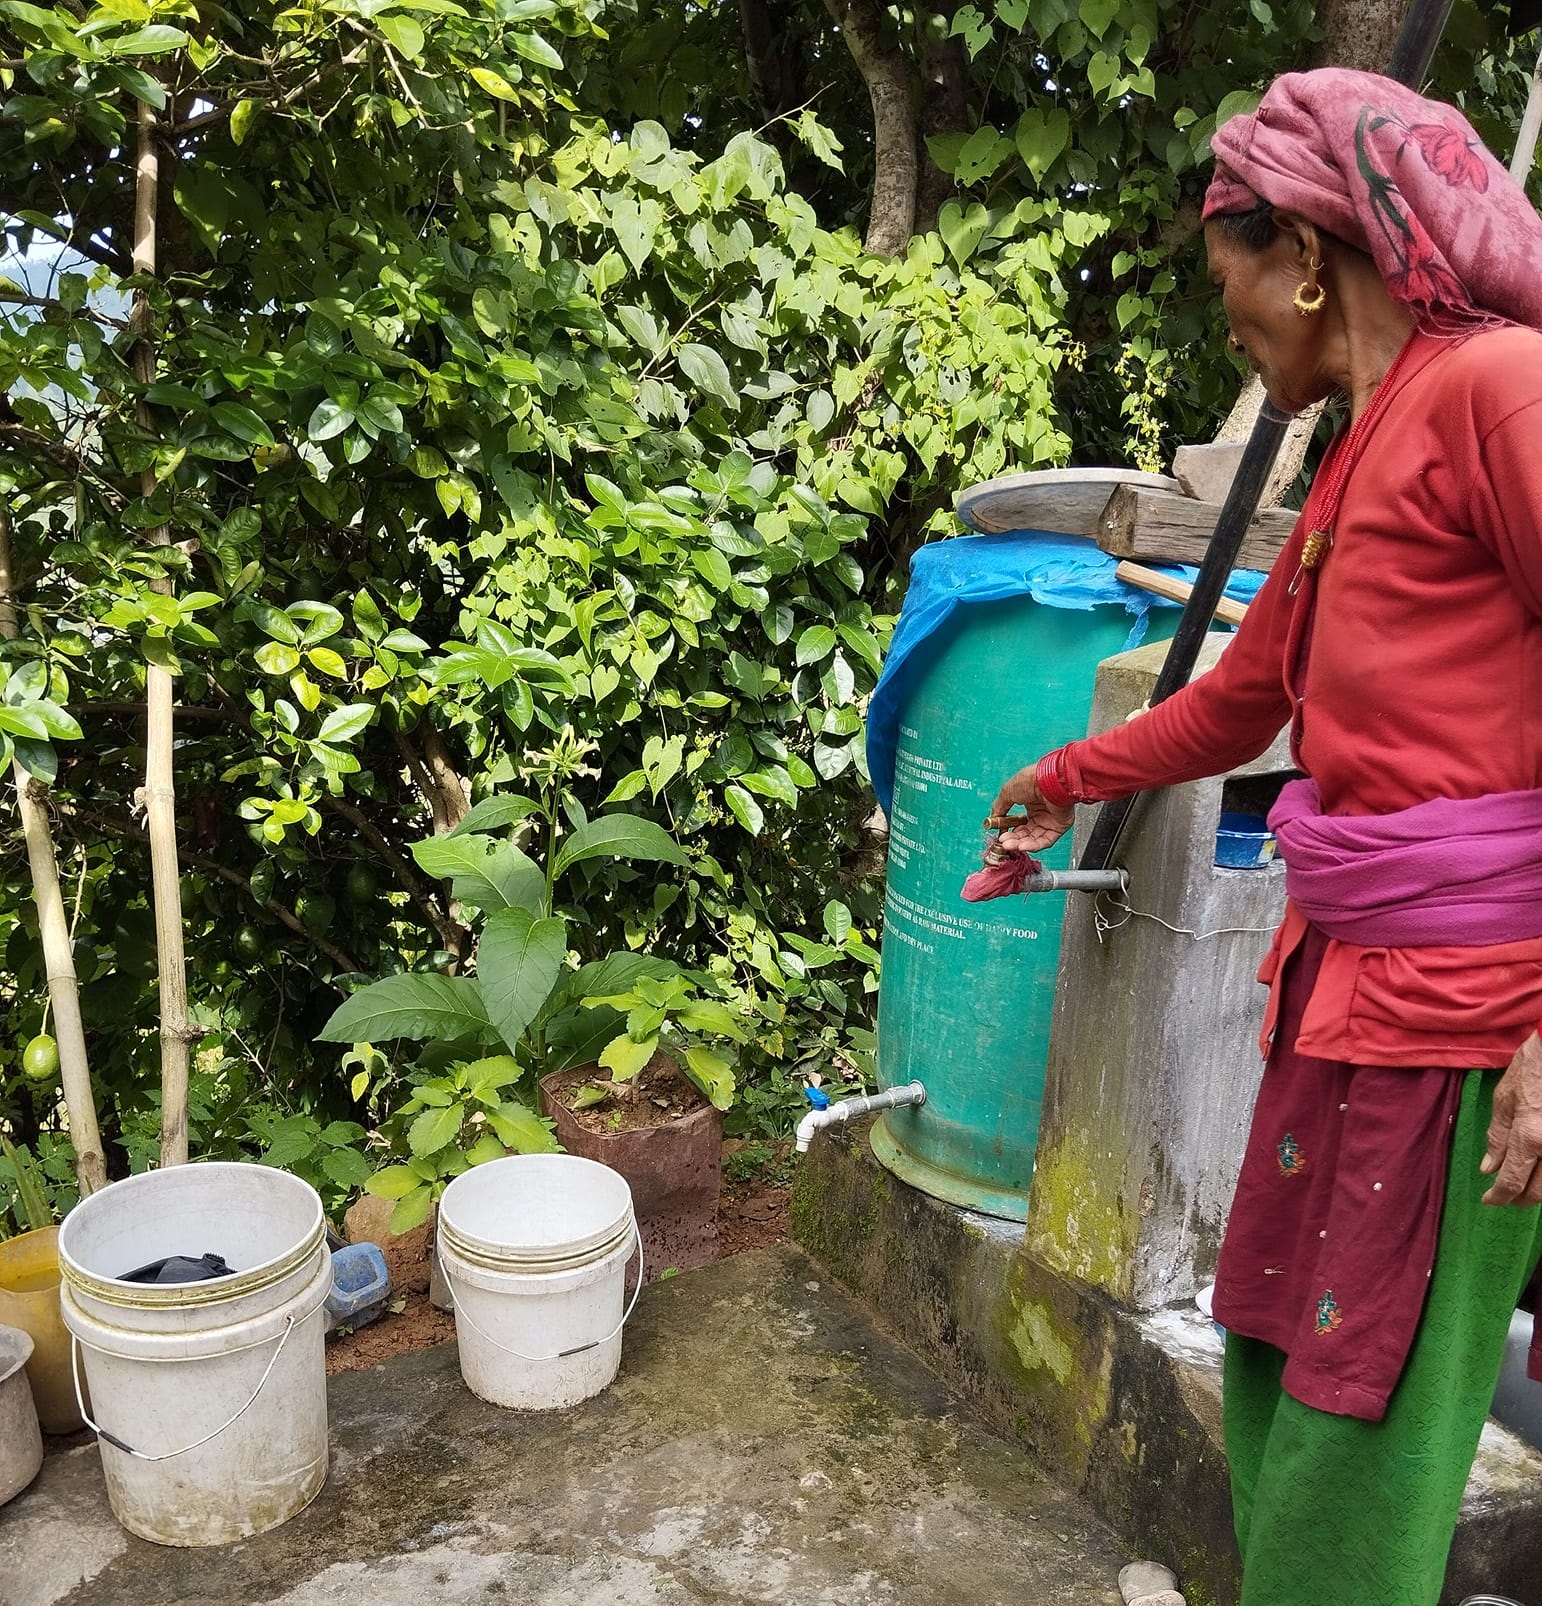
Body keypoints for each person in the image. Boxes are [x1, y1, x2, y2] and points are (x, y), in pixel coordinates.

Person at [990, 68, 1542, 1606]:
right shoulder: (1365, 441)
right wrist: (1062, 774)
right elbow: (1239, 704)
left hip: (1459, 1027)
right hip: (1341, 998)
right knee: (1272, 1362)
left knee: (1361, 1433)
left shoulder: (1498, 389)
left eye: (1220, 269)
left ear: (1300, 249)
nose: (1219, 306)